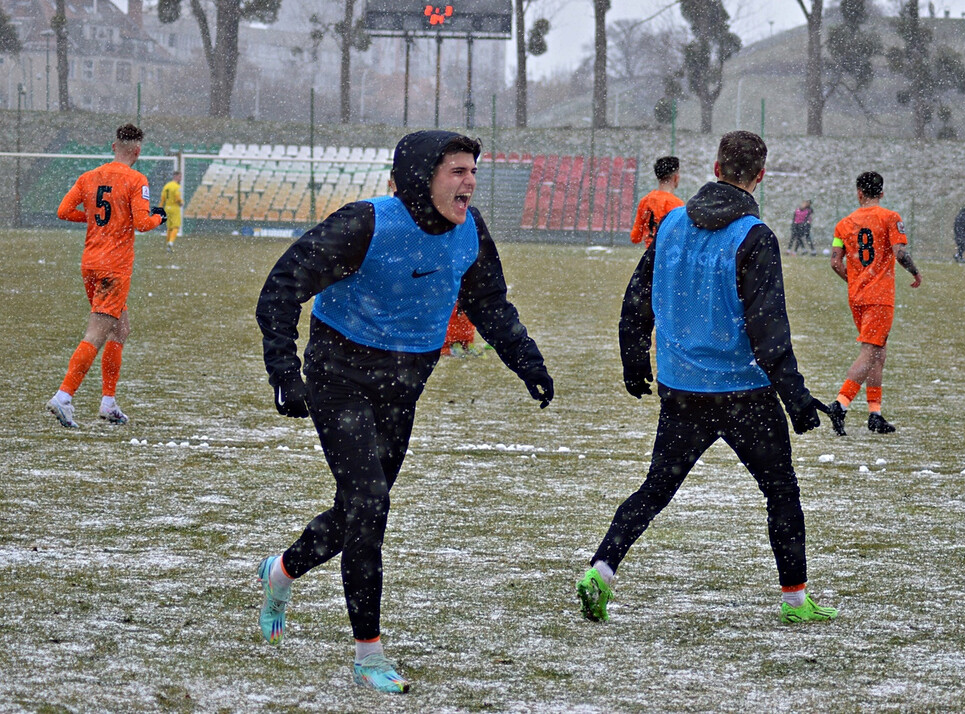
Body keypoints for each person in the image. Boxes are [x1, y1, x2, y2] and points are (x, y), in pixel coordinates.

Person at [254, 130, 554, 695]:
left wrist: (527, 362)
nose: (469, 183)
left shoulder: (471, 232)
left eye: (472, 172)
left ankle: (282, 570)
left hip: (403, 386)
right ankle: (368, 654)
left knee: (357, 512)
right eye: (456, 172)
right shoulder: (365, 223)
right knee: (370, 505)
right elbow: (280, 289)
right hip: (337, 377)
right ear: (422, 177)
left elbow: (488, 302)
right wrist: (284, 375)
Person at [576, 130, 837, 627]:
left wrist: (635, 362)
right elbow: (769, 330)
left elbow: (635, 301)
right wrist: (798, 400)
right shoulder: (755, 237)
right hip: (744, 392)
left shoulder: (672, 224)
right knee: (781, 490)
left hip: (683, 388)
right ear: (759, 176)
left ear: (716, 167)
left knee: (655, 488)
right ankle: (796, 600)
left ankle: (601, 571)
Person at [46, 123, 166, 428]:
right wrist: (158, 217)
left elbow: (63, 210)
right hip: (114, 268)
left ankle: (108, 402)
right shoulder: (137, 179)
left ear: (114, 147)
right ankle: (63, 396)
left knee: (120, 328)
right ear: (137, 150)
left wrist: (94, 219)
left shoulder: (89, 177)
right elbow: (141, 223)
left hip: (90, 263)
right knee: (97, 333)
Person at [825, 171, 921, 436]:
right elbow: (900, 252)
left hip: (856, 297)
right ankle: (841, 404)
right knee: (870, 352)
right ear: (881, 192)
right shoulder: (890, 218)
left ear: (859, 193)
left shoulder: (843, 224)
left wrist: (854, 279)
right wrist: (914, 272)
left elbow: (835, 261)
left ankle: (875, 414)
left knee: (878, 352)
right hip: (879, 297)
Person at [629, 156, 684, 248]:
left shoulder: (645, 201)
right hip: (667, 254)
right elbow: (680, 237)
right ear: (675, 177)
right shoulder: (676, 204)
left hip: (650, 256)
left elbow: (635, 237)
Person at [160, 170, 184, 251]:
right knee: (176, 226)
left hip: (167, 207)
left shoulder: (167, 186)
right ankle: (171, 242)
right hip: (174, 208)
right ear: (176, 176)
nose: (181, 178)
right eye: (180, 176)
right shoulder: (177, 187)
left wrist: (160, 207)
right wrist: (181, 202)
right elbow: (177, 196)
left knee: (169, 228)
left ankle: (168, 246)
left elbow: (162, 198)